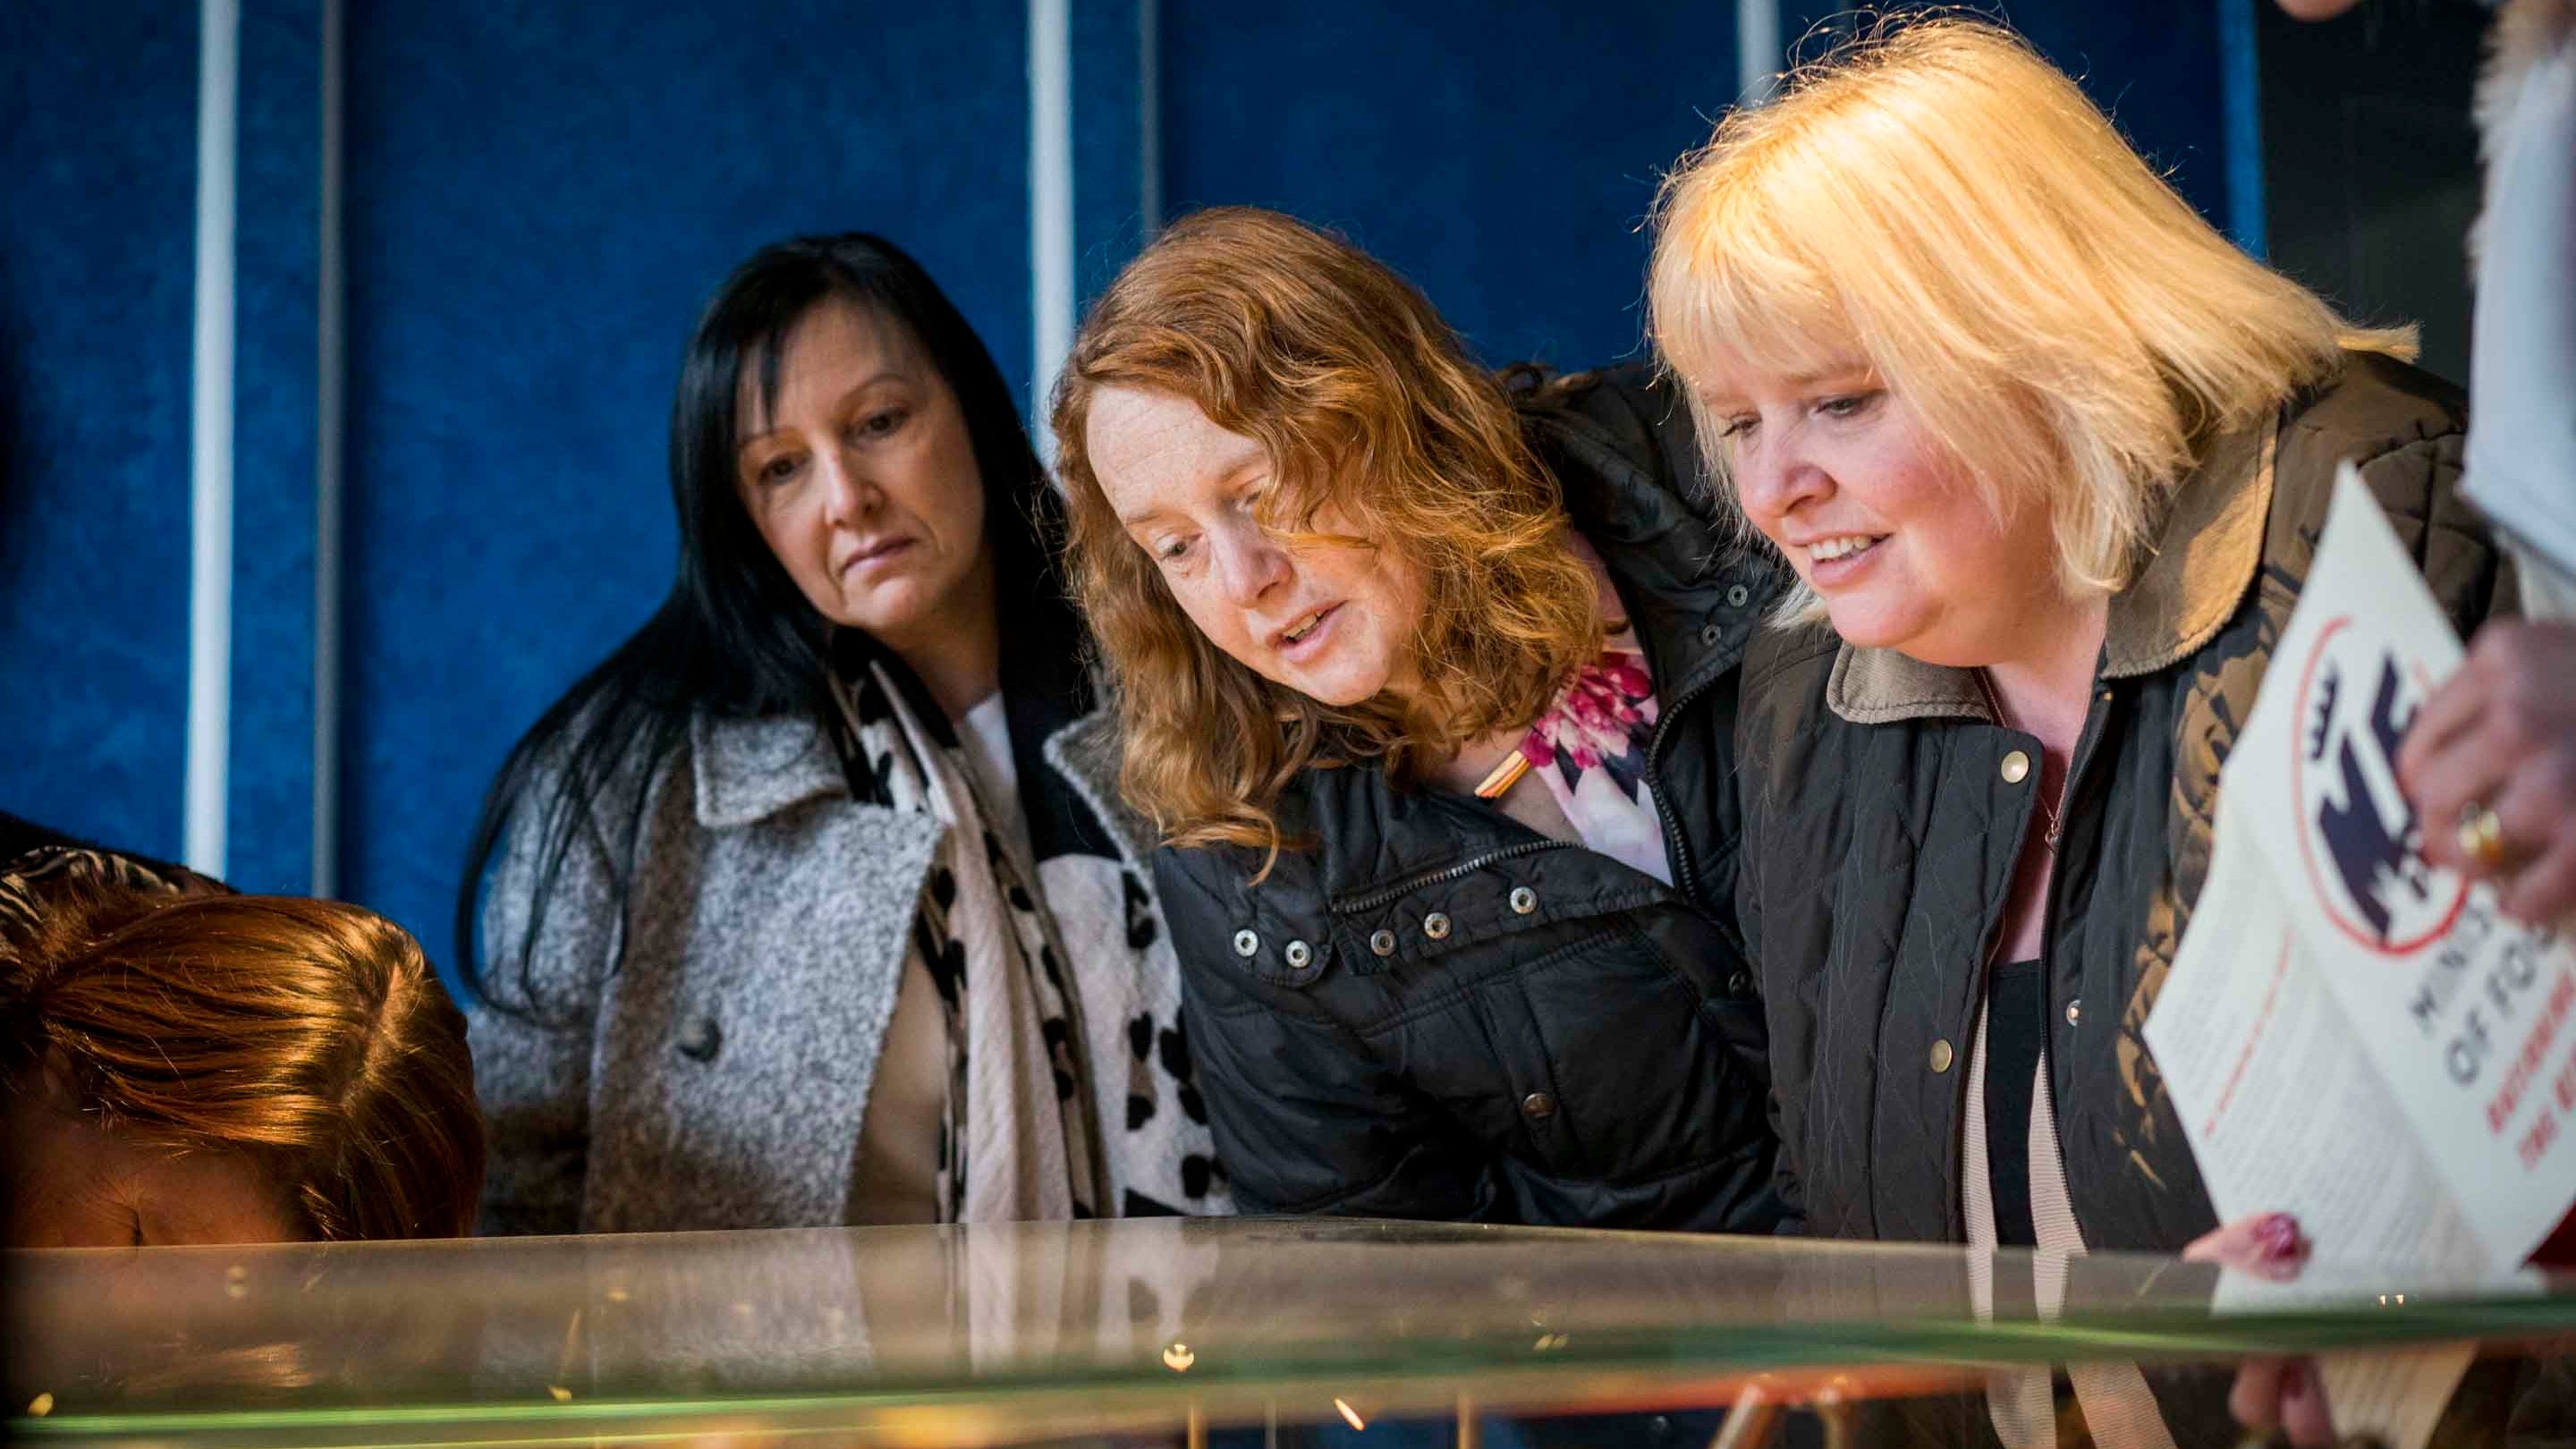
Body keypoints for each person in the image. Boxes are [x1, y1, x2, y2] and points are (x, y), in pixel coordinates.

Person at [1649, 16, 2512, 1444]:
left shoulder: (2379, 514)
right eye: (1740, 425)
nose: (1776, 490)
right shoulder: (1801, 695)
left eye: (1842, 402)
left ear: (2043, 342)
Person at [461, 233, 1223, 1235]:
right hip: (769, 1386)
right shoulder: (629, 778)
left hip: (1171, 1376)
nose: (846, 499)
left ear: (973, 413)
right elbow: (515, 1176)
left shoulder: (1188, 681)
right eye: (781, 469)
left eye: (879, 422)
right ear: (740, 516)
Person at [1052, 206, 1782, 1232]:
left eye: (1259, 492)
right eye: (1173, 547)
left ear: (1384, 417)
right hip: (1690, 1373)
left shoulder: (1697, 469)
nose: (1243, 580)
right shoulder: (1247, 857)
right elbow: (1358, 1275)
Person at [2, 846, 482, 1245]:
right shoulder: (171, 982)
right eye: (139, 1239)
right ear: (60, 1061)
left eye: (228, 1313)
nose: (137, 1335)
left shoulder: (225, 947)